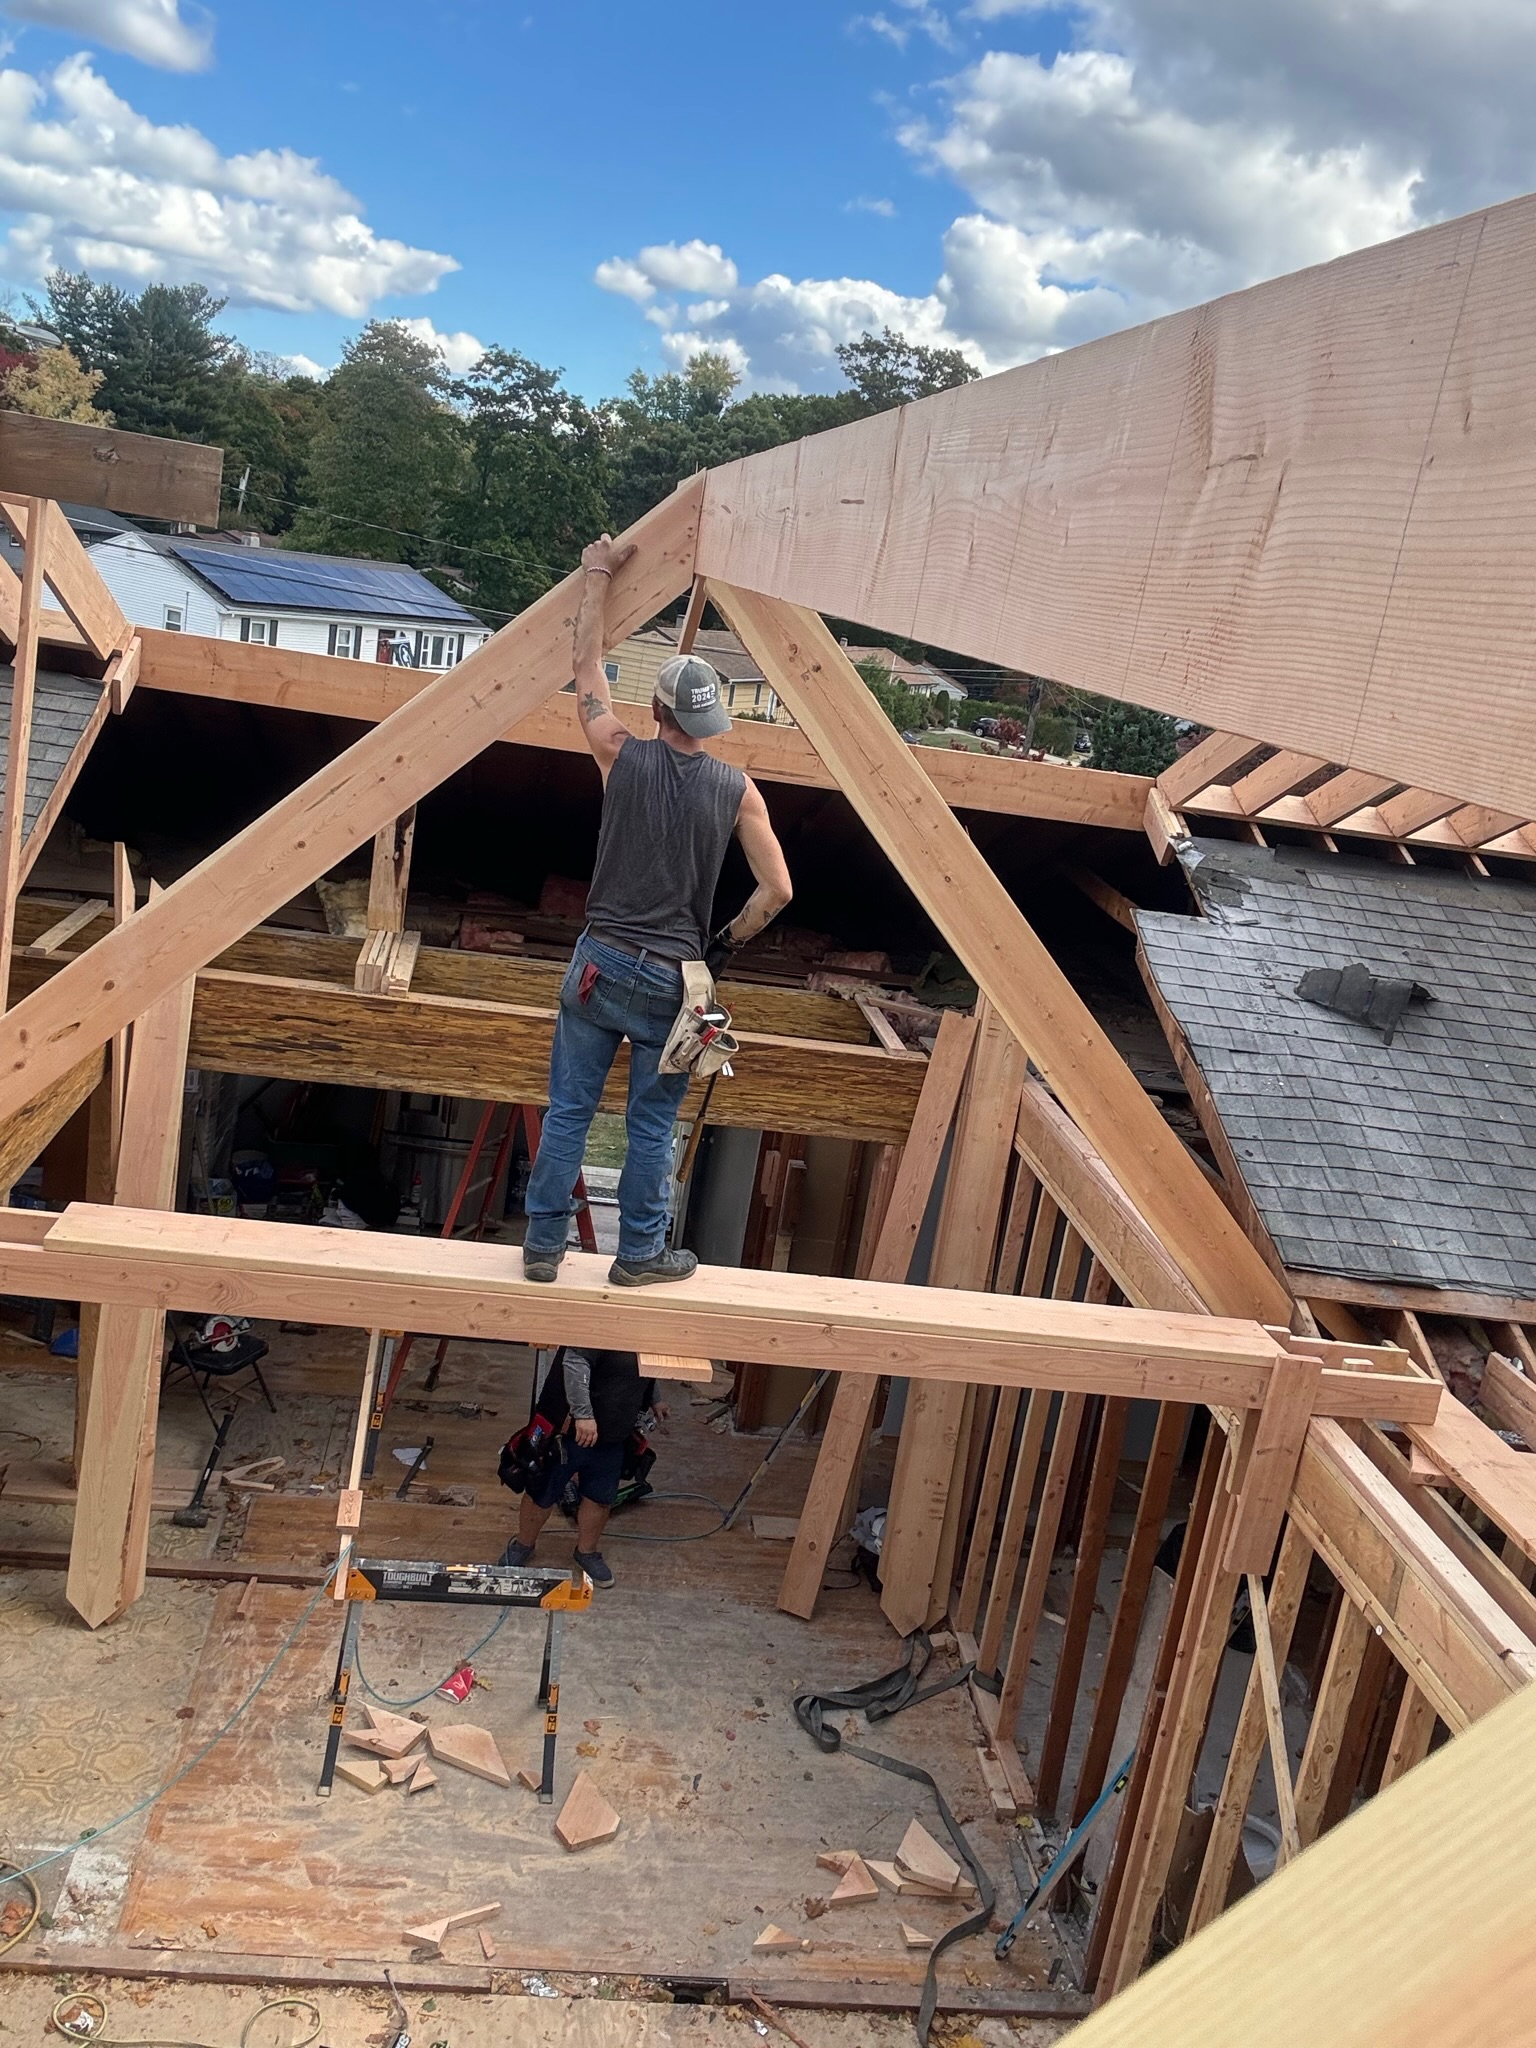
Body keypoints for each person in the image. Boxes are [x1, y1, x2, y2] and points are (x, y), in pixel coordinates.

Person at [521, 533, 793, 1286]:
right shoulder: (739, 791)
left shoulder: (617, 748)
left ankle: (544, 1247)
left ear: (656, 709)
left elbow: (584, 664)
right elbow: (779, 892)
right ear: (711, 724)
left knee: (569, 1110)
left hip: (599, 962)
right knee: (650, 1126)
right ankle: (638, 1257)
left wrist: (597, 574)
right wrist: (726, 946)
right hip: (675, 980)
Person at [501, 1346, 657, 1587]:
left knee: (600, 1496)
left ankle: (586, 1552)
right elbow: (574, 1362)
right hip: (569, 1430)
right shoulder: (600, 1319)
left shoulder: (651, 1325)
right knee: (542, 1490)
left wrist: (656, 1399)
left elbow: (649, 1361)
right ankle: (523, 1544)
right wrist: (582, 1414)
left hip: (614, 1433)